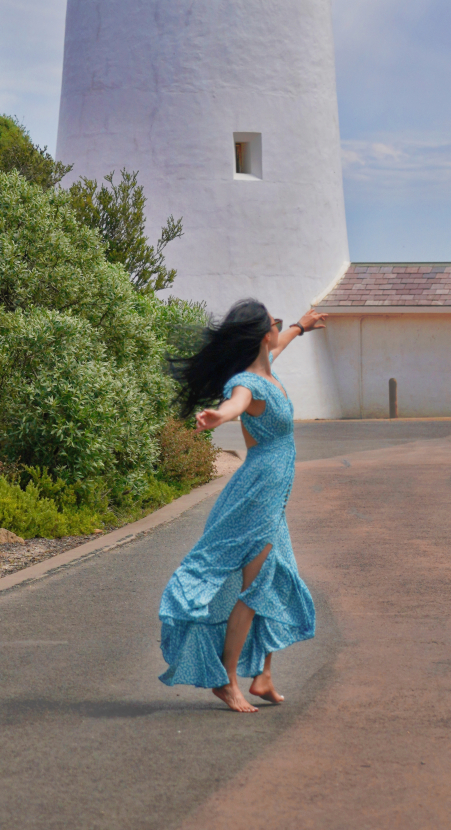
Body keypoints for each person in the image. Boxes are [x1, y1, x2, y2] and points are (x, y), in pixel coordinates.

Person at [158, 299, 326, 712]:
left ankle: (264, 677)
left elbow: (279, 346)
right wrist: (220, 415)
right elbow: (238, 400)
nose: (279, 327)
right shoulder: (247, 382)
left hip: (271, 495)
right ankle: (228, 679)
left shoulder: (267, 365)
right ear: (260, 335)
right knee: (255, 589)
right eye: (276, 323)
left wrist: (302, 326)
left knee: (274, 577)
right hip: (258, 496)